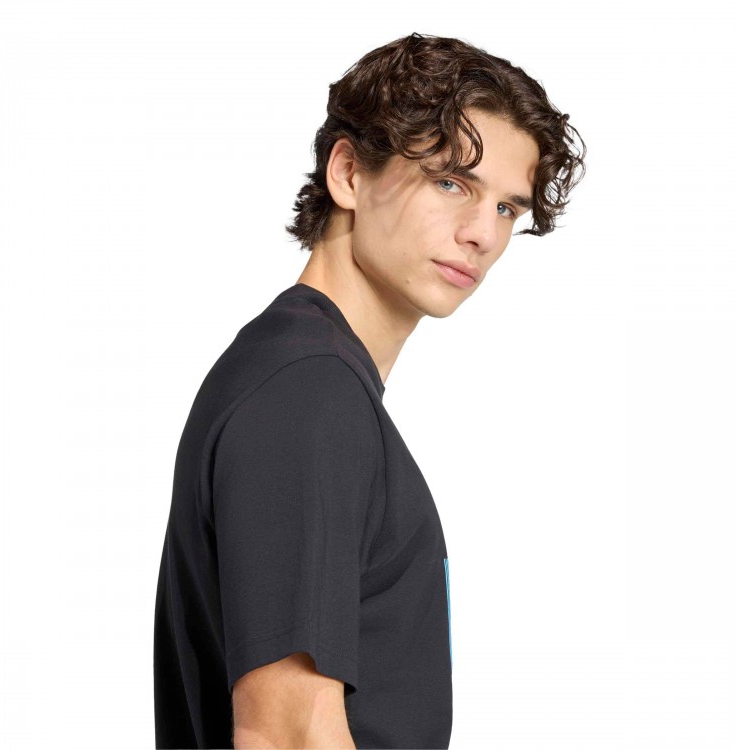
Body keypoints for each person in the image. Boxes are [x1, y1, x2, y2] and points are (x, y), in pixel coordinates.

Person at [153, 31, 586, 750]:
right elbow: (287, 736)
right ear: (349, 173)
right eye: (451, 183)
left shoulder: (307, 379)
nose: (482, 234)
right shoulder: (307, 396)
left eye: (507, 208)